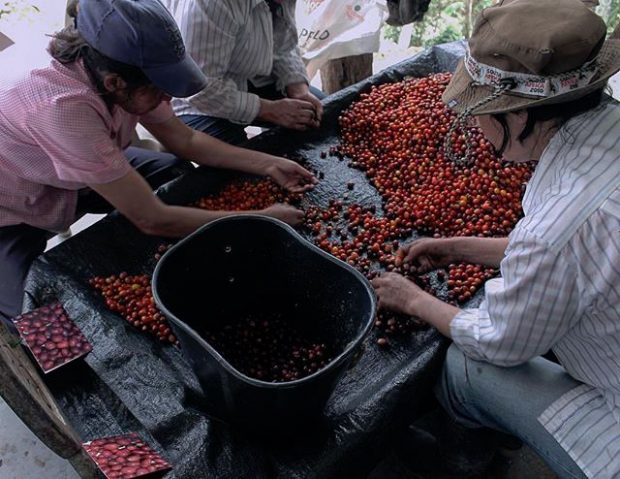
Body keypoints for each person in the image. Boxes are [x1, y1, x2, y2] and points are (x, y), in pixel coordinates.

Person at [372, 0, 620, 477]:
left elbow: (498, 341)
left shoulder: (556, 229)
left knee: (462, 368)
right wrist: (456, 247)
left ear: (520, 116)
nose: (475, 127)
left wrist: (412, 300)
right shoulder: (606, 131)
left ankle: (466, 458)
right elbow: (578, 254)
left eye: (481, 112)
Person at [0, 0, 317, 329]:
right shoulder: (61, 107)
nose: (169, 99)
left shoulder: (114, 65)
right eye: (161, 91)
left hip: (72, 164)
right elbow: (150, 217)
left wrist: (267, 164)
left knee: (171, 174)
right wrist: (259, 219)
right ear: (114, 84)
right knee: (34, 323)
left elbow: (185, 140)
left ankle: (173, 259)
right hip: (14, 203)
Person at [164, 0, 325, 145]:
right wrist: (269, 110)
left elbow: (283, 44)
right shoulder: (212, 4)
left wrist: (297, 87)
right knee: (248, 167)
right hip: (192, 100)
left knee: (322, 116)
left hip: (248, 76)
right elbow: (198, 88)